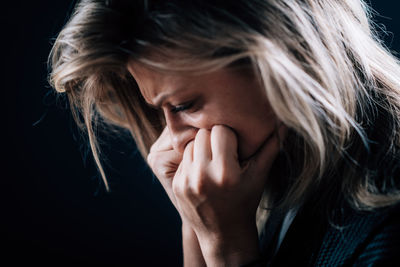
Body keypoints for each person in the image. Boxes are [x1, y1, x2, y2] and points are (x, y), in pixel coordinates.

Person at [49, 0, 400, 266]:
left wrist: (227, 249)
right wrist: (198, 226)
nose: (172, 141)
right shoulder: (277, 182)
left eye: (184, 105)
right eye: (160, 111)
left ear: (280, 61)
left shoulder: (383, 234)